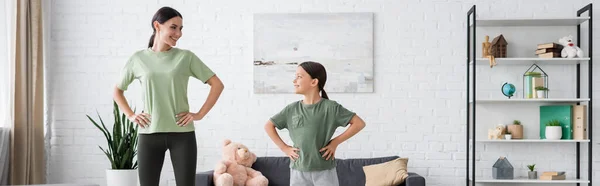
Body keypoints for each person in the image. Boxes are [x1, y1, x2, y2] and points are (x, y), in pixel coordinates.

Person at [113, 6, 224, 186]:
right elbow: (117, 90)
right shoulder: (138, 58)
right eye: (173, 27)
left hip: (182, 135)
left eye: (181, 29)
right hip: (149, 133)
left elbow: (217, 85)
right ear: (157, 26)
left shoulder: (185, 57)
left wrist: (199, 114)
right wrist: (131, 115)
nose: (178, 33)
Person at [264, 61, 366, 186]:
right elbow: (269, 126)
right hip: (298, 170)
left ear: (314, 82)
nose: (294, 81)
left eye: (299, 77)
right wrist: (284, 148)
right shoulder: (291, 109)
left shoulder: (331, 108)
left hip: (325, 170)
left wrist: (335, 143)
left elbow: (359, 123)